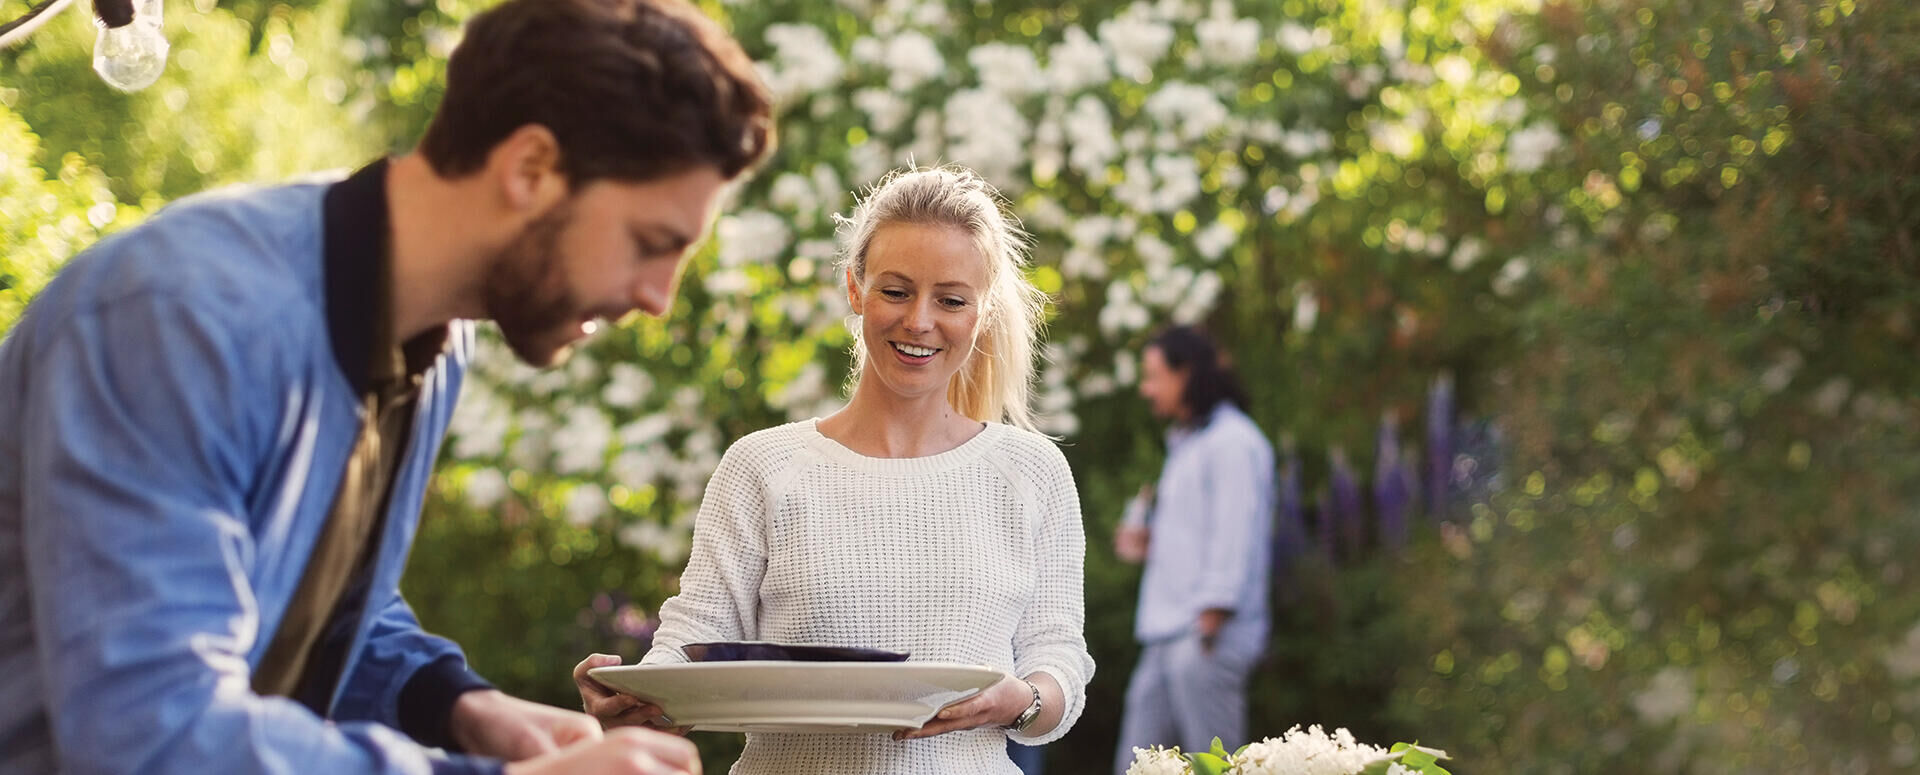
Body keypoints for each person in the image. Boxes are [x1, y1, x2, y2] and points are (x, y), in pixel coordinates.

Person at [0, 0, 775, 772]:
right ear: (530, 168)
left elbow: (315, 600)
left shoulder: (436, 335)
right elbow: (146, 731)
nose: (658, 298)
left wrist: (457, 703)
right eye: (651, 243)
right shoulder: (179, 321)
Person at [572, 166, 1095, 774]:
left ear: (980, 313)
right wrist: (639, 695)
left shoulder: (1031, 471)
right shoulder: (763, 466)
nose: (920, 321)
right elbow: (694, 640)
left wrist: (1022, 702)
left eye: (950, 300)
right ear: (855, 289)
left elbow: (1057, 660)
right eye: (895, 291)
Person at [1111, 326, 1275, 772]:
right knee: (1137, 763)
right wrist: (1149, 540)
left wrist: (1211, 619)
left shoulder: (1233, 442)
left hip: (1204, 635)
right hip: (1166, 632)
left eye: (1153, 376)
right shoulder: (1189, 442)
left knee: (1216, 766)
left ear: (1185, 374)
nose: (1146, 389)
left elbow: (1235, 534)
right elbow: (1195, 534)